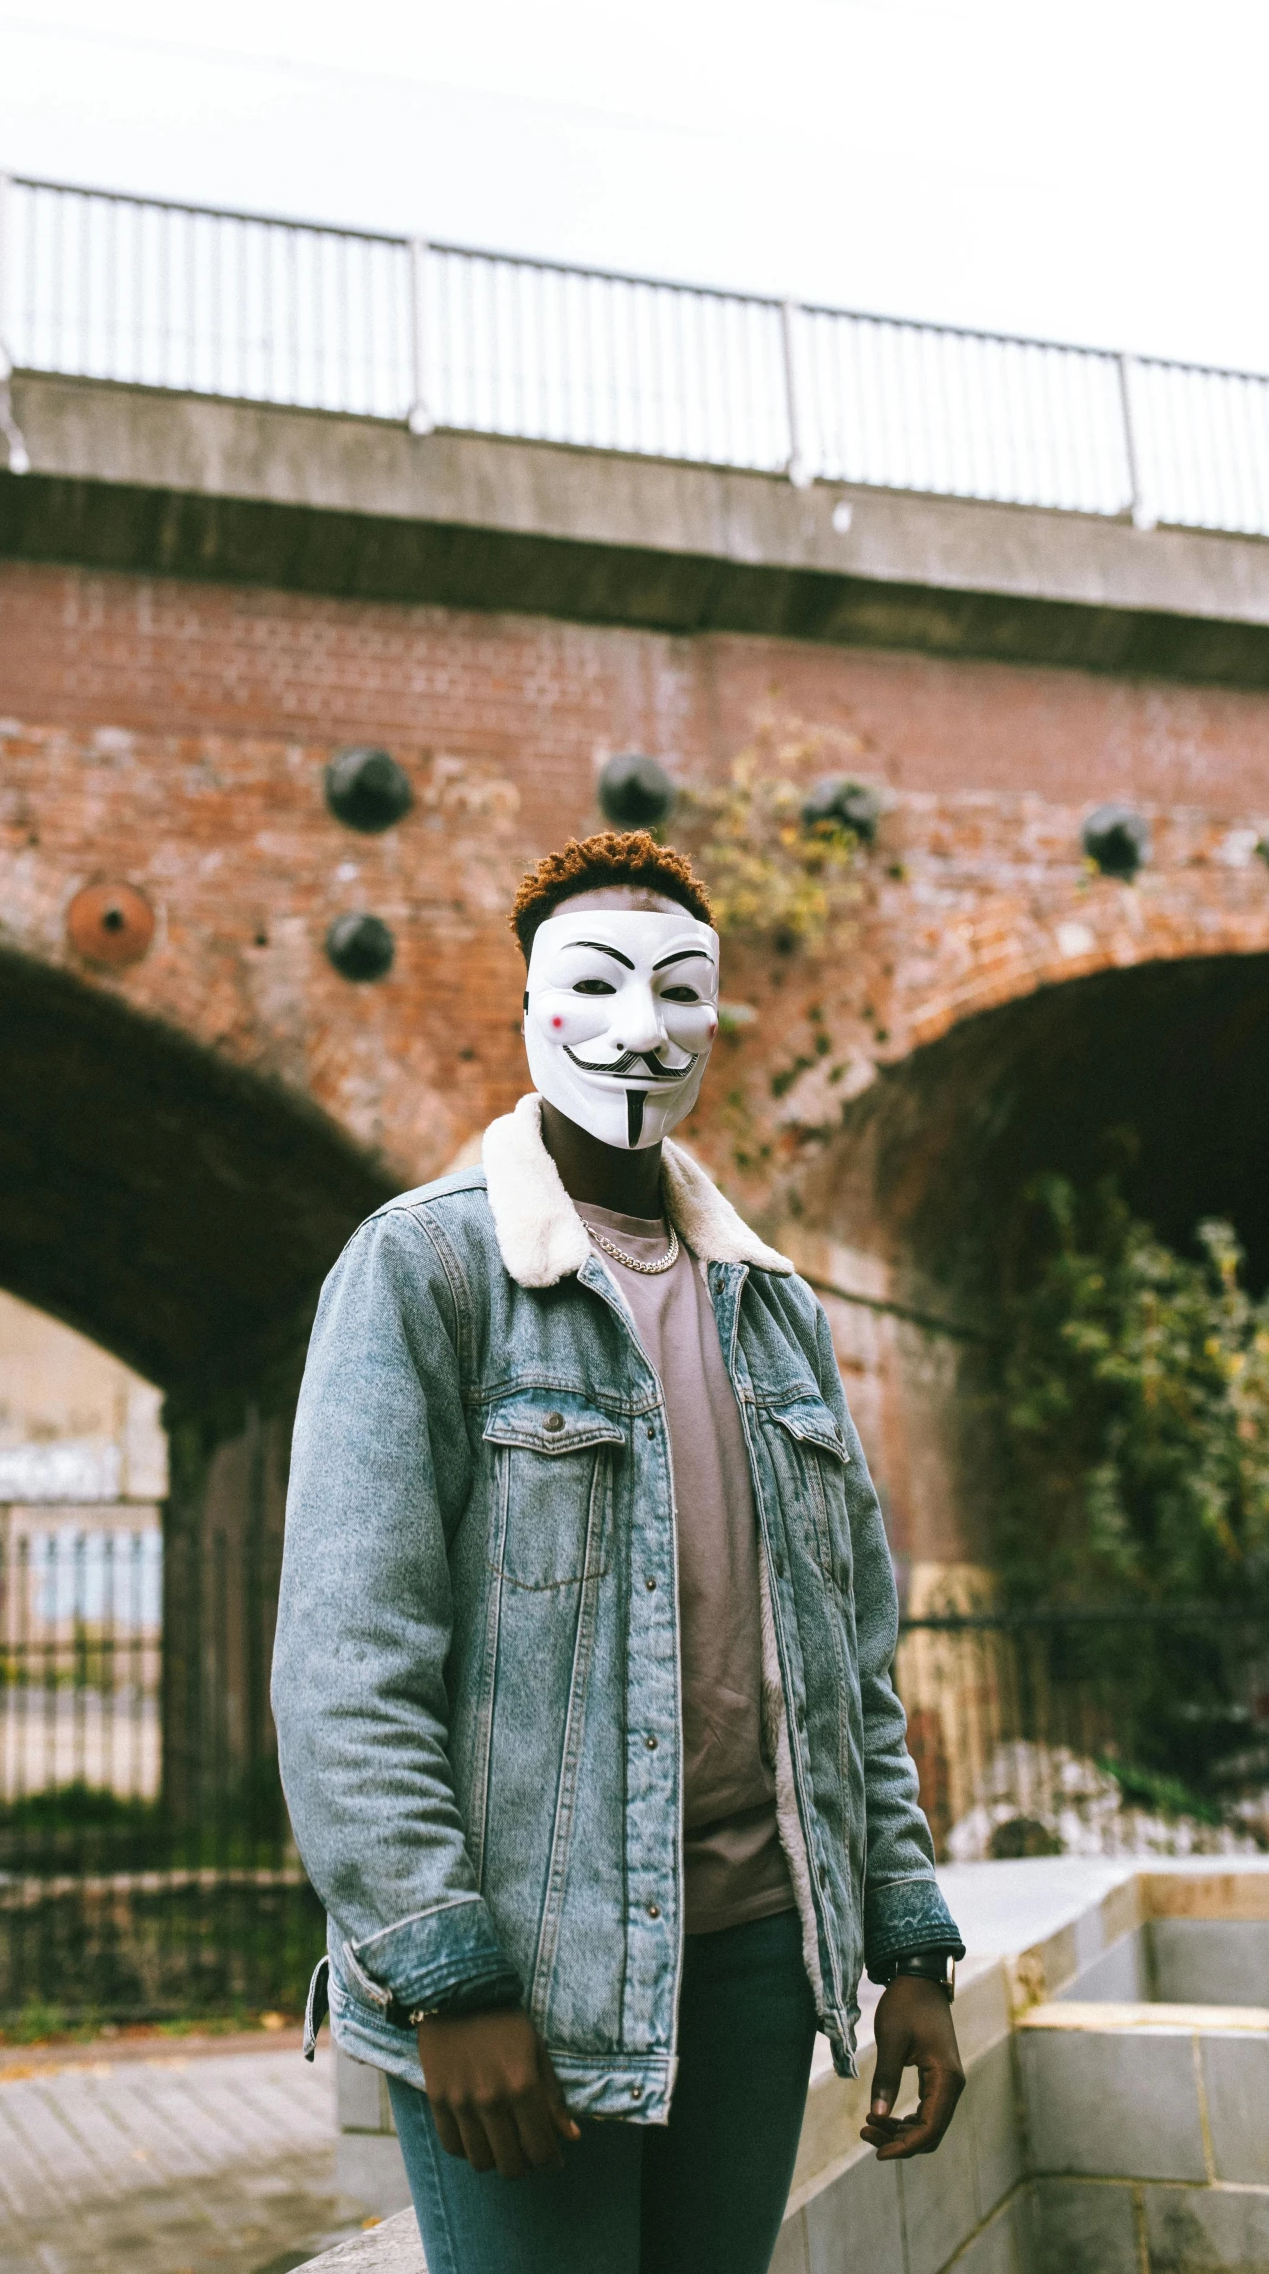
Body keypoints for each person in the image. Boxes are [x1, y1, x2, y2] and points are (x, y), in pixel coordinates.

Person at [272, 828, 966, 2274]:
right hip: (532, 1981)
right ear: (530, 1012)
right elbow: (348, 1662)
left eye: (683, 992)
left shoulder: (773, 1308)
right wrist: (445, 1972)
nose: (641, 1030)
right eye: (595, 985)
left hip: (759, 1967)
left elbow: (852, 1669)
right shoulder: (426, 1268)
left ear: (720, 1018)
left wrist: (909, 1945)